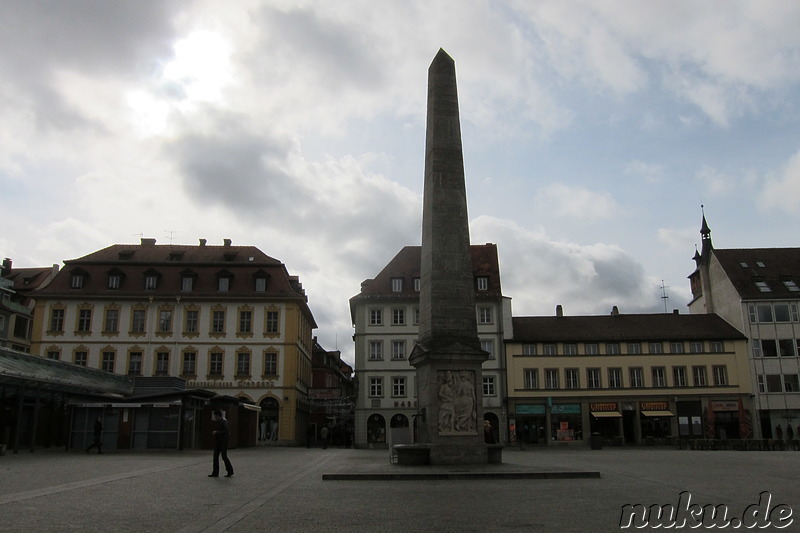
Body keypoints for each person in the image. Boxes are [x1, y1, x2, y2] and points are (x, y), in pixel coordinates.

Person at [209, 410, 234, 478]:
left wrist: (216, 432)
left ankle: (230, 471)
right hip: (218, 441)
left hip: (223, 441)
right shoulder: (219, 422)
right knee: (215, 457)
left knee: (224, 456)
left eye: (215, 415)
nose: (215, 417)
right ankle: (215, 472)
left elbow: (225, 431)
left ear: (218, 415)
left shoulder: (224, 422)